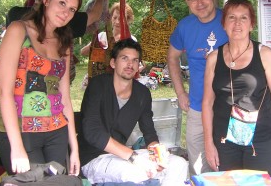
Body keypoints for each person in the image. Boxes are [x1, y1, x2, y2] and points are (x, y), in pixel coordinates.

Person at [0, 0, 82, 176]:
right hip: (21, 131)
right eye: (62, 3)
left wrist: (74, 148)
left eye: (72, 9)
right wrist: (16, 147)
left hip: (56, 130)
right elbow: (5, 92)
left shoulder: (65, 42)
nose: (66, 12)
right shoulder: (19, 30)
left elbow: (65, 98)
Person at [78, 39, 188, 185]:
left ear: (138, 66)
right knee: (138, 172)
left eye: (135, 60)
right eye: (124, 58)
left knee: (178, 164)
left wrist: (158, 155)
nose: (130, 64)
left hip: (123, 156)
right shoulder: (98, 85)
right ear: (113, 63)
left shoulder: (142, 93)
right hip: (94, 159)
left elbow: (149, 133)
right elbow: (93, 132)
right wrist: (133, 157)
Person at [201, 0, 271, 176]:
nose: (237, 23)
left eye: (244, 18)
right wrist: (208, 143)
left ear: (251, 24)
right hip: (225, 140)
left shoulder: (265, 54)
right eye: (231, 17)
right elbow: (207, 104)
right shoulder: (213, 58)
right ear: (224, 23)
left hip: (261, 138)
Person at [167, 0, 228, 176]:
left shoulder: (229, 20)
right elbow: (172, 57)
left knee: (228, 163)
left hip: (228, 106)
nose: (199, 3)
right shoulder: (184, 26)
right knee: (198, 165)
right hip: (198, 106)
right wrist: (180, 92)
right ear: (186, 0)